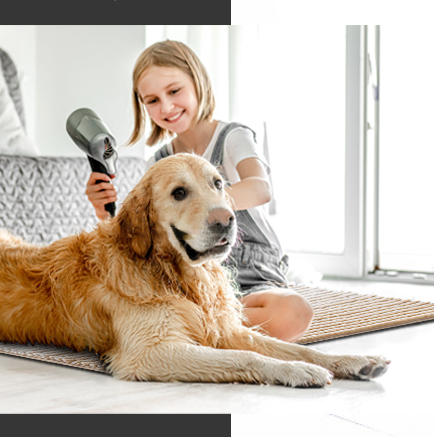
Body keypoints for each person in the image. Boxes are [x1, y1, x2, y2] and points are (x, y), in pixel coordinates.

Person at [85, 40, 314, 342]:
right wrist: (104, 210)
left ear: (198, 82)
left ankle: (196, 330)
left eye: (174, 91)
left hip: (249, 269)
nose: (165, 107)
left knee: (293, 313)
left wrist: (204, 204)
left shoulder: (233, 136)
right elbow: (142, 238)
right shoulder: (159, 163)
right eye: (152, 100)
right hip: (191, 273)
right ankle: (214, 330)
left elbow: (260, 188)